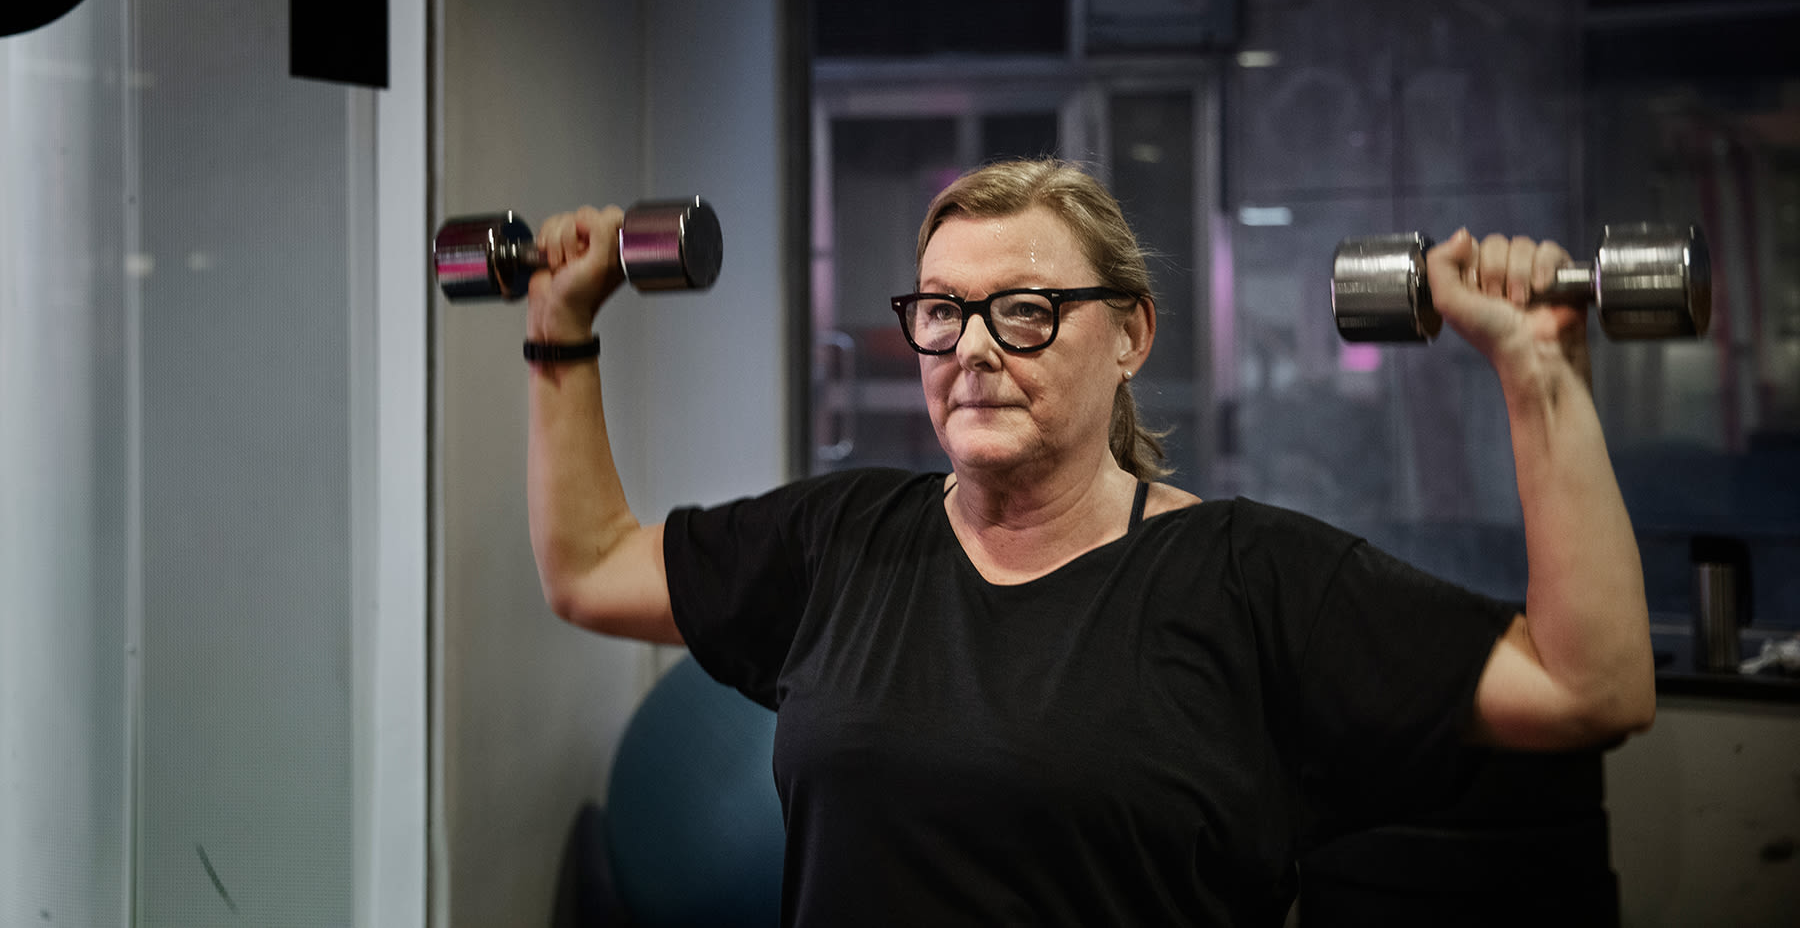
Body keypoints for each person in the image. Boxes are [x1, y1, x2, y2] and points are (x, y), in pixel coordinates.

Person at [523, 159, 1655, 926]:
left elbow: (1588, 686)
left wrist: (1537, 368)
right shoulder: (842, 539)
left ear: (1130, 333)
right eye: (938, 310)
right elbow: (590, 567)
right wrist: (559, 331)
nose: (969, 347)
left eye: (1024, 309)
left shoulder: (1247, 578)